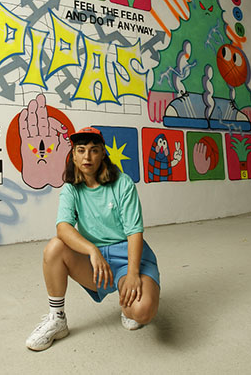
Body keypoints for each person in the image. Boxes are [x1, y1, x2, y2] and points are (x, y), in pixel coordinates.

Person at [25, 127, 161, 351]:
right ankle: (57, 319)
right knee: (54, 247)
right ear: (74, 155)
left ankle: (128, 303)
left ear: (102, 154)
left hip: (128, 259)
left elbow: (134, 232)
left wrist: (133, 274)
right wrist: (92, 250)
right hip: (96, 263)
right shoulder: (71, 189)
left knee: (142, 311)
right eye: (81, 150)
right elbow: (63, 228)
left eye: (94, 150)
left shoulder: (123, 183)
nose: (87, 156)